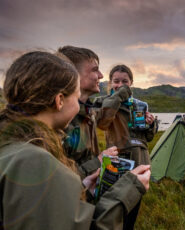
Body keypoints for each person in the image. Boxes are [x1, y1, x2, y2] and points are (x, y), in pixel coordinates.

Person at [0, 51, 151, 230]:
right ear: (60, 101)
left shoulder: (18, 146)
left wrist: (82, 188)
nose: (81, 105)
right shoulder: (34, 161)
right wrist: (127, 191)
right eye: (76, 95)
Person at [97, 64, 157, 230]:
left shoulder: (140, 105)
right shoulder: (106, 103)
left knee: (132, 211)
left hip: (141, 160)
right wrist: (118, 97)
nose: (120, 84)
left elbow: (148, 137)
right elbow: (102, 123)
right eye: (116, 81)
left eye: (125, 81)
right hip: (119, 162)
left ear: (131, 82)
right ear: (110, 82)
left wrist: (150, 124)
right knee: (115, 209)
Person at [58, 46, 117, 178]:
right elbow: (58, 180)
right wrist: (98, 162)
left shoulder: (87, 112)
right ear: (73, 74)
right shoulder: (59, 120)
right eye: (95, 70)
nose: (101, 75)